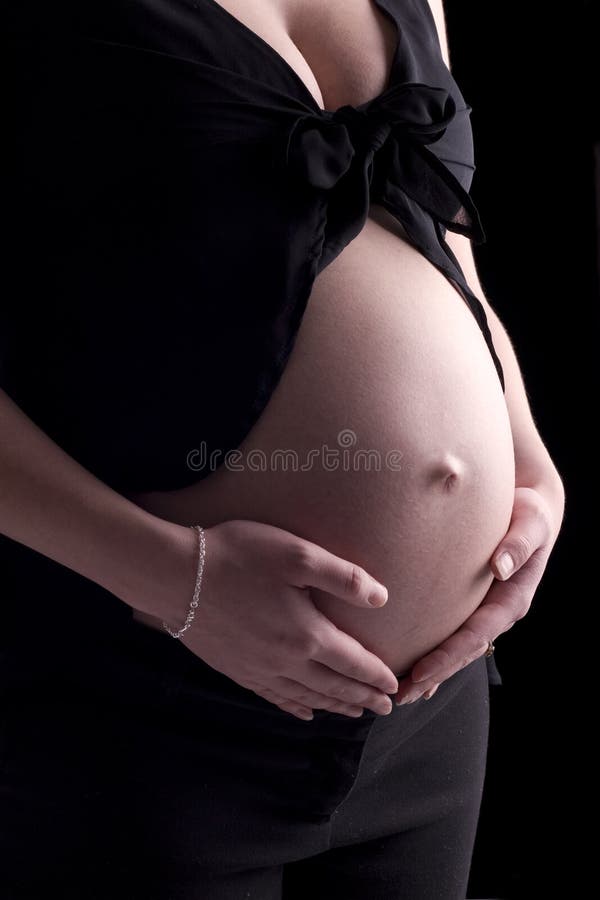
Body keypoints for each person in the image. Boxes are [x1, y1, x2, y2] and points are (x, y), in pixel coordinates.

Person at [2, 1, 565, 898]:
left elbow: (450, 247)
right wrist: (171, 580)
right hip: (144, 703)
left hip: (427, 718)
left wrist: (527, 456)